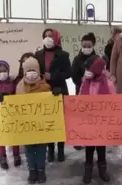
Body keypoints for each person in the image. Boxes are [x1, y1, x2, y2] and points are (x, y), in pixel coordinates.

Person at [15, 57, 61, 183]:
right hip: (27, 126)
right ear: (24, 71)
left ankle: (41, 170)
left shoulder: (45, 86)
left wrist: (55, 94)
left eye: (34, 70)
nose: (31, 73)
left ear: (38, 71)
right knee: (29, 150)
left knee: (41, 149)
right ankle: (32, 171)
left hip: (41, 127)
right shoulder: (19, 87)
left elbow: (51, 105)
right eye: (28, 70)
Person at [35, 28, 71, 162]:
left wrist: (54, 76)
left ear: (56, 38)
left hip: (60, 90)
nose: (48, 38)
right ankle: (50, 149)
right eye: (45, 36)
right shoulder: (38, 54)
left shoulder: (63, 55)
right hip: (44, 91)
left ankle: (60, 149)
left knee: (60, 121)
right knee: (48, 121)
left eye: (51, 36)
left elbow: (68, 73)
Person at [79, 56, 114, 184]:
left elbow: (114, 102)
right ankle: (88, 170)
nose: (87, 71)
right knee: (89, 148)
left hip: (102, 123)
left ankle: (102, 169)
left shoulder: (108, 84)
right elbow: (79, 100)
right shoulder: (85, 83)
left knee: (101, 148)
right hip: (89, 123)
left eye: (89, 69)